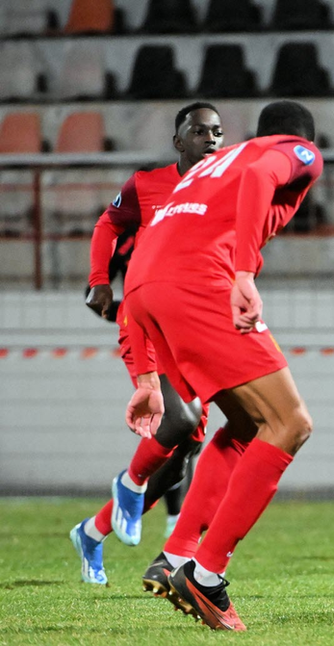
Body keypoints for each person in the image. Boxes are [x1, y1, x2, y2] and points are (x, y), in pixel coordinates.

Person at [122, 100, 323, 631]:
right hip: (198, 283)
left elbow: (152, 251)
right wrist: (243, 273)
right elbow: (263, 175)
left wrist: (145, 377)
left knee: (246, 425)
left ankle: (179, 554)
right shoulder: (293, 152)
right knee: (291, 424)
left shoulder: (218, 161)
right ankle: (206, 577)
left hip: (144, 290)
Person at [70, 102, 224, 587]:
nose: (211, 140)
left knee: (184, 451)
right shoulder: (147, 185)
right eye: (200, 132)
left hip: (192, 326)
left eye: (218, 132)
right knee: (179, 418)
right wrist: (99, 279)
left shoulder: (222, 189)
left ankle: (93, 533)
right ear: (179, 141)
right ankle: (129, 484)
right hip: (145, 319)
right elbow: (107, 225)